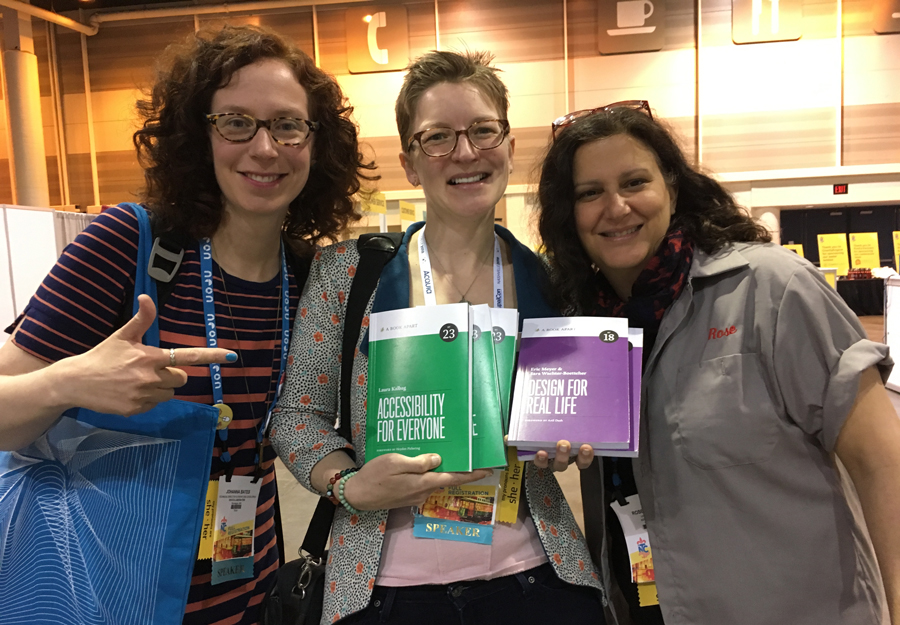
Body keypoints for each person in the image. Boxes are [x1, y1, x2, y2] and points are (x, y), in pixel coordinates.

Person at [0, 25, 374, 625]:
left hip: (249, 588)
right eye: (235, 122)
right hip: (111, 590)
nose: (264, 147)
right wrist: (67, 383)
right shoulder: (131, 245)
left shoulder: (307, 276)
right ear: (197, 136)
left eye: (286, 124)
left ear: (314, 141)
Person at [271, 50, 607, 625]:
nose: (466, 152)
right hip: (383, 592)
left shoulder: (555, 282)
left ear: (508, 143)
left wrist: (569, 442)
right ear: (409, 162)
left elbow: (573, 415)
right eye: (438, 138)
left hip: (537, 580)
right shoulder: (348, 275)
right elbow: (296, 416)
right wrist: (349, 486)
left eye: (482, 131)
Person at [533, 101, 900, 624]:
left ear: (673, 188)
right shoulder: (581, 329)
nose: (614, 208)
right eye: (589, 193)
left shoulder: (773, 289)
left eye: (634, 182)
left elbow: (883, 462)